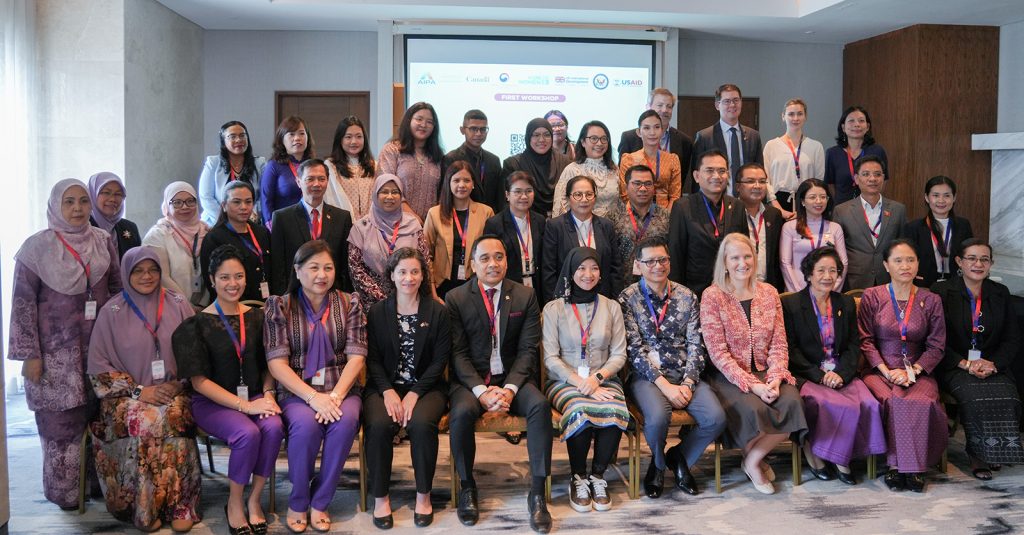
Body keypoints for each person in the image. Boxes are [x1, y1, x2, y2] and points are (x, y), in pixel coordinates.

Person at [7, 179, 121, 509]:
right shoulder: (35, 248)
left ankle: (100, 484)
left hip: (99, 349)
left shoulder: (102, 240)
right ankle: (65, 493)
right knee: (60, 425)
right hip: (54, 356)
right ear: (56, 205)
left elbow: (115, 291)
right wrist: (29, 355)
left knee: (100, 419)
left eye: (83, 201)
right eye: (69, 202)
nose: (77, 209)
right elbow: (22, 305)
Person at [87, 246, 200, 531]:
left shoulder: (177, 302)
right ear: (126, 273)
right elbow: (99, 370)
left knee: (174, 415)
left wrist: (178, 384)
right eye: (138, 270)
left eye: (153, 270)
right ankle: (146, 508)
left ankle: (180, 504)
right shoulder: (111, 311)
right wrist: (140, 392)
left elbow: (196, 353)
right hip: (124, 396)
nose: (146, 276)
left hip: (174, 390)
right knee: (145, 419)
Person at [173, 244, 284, 534]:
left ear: (246, 277)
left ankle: (255, 499)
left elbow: (267, 367)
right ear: (211, 279)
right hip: (213, 402)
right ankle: (234, 502)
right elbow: (199, 382)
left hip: (258, 396)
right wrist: (245, 406)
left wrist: (269, 394)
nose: (232, 284)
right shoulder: (194, 325)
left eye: (238, 276)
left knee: (273, 427)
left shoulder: (259, 318)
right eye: (224, 277)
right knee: (247, 433)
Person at [446, 235, 552, 533]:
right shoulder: (455, 298)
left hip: (512, 380)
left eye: (499, 257)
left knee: (540, 406)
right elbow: (457, 354)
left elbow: (528, 350)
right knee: (461, 413)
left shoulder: (524, 296)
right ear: (472, 264)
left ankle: (537, 490)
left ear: (507, 259)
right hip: (471, 383)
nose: (493, 264)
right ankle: (467, 486)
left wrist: (509, 389)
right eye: (485, 258)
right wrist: (481, 391)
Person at [264, 240, 367, 533]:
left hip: (341, 386)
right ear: (298, 271)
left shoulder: (350, 303)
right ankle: (298, 500)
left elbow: (357, 356)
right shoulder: (280, 306)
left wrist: (333, 396)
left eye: (328, 267)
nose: (321, 274)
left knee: (346, 422)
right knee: (306, 427)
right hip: (297, 389)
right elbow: (277, 364)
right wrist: (313, 397)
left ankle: (320, 500)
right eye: (313, 268)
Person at [620, 236, 726, 498]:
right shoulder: (627, 298)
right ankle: (656, 467)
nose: (658, 265)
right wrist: (665, 385)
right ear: (639, 265)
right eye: (651, 261)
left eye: (663, 259)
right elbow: (633, 350)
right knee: (656, 419)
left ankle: (680, 458)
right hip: (647, 377)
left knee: (716, 418)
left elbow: (696, 344)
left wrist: (689, 383)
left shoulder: (687, 296)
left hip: (684, 373)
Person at [700, 233, 807, 495]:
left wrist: (776, 377)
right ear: (724, 262)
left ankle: (752, 459)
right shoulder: (712, 296)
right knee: (754, 407)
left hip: (767, 372)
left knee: (792, 403)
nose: (742, 263)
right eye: (734, 257)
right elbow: (718, 353)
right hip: (729, 377)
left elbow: (779, 342)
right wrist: (754, 386)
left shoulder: (769, 292)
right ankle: (755, 457)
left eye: (747, 256)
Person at [781, 247, 886, 485]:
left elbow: (853, 345)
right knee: (832, 403)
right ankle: (825, 454)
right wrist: (820, 376)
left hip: (841, 373)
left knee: (868, 403)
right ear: (808, 274)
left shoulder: (846, 303)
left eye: (833, 270)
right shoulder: (792, 305)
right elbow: (790, 349)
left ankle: (844, 453)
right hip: (808, 373)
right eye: (821, 270)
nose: (827, 276)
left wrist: (841, 374)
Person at [363, 248, 450, 529]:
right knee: (377, 425)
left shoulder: (437, 311)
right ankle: (380, 497)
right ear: (391, 275)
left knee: (422, 424)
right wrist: (388, 391)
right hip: (384, 386)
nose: (409, 278)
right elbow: (373, 360)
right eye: (402, 272)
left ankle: (423, 495)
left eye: (415, 271)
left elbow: (440, 361)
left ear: (423, 275)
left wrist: (414, 393)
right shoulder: (377, 312)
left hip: (426, 387)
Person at [542, 247, 629, 512]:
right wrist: (581, 383)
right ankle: (578, 476)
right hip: (563, 381)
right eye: (581, 268)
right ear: (570, 271)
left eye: (593, 268)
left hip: (604, 378)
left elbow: (619, 354)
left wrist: (598, 377)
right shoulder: (553, 308)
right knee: (581, 408)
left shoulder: (611, 307)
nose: (587, 274)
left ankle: (598, 476)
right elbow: (550, 357)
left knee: (615, 407)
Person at [858, 239, 947, 492]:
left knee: (921, 400)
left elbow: (937, 345)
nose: (905, 266)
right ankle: (897, 466)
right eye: (898, 260)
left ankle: (914, 468)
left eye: (910, 260)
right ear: (886, 265)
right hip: (880, 370)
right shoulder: (872, 296)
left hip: (918, 369)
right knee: (891, 399)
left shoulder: (931, 299)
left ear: (918, 264)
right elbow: (865, 340)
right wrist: (887, 371)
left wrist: (913, 371)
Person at [932, 240, 1023, 480]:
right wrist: (965, 364)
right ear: (959, 262)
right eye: (972, 258)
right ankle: (978, 455)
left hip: (991, 364)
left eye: (984, 259)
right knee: (976, 396)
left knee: (1008, 394)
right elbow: (936, 340)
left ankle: (997, 452)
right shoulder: (941, 292)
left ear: (991, 264)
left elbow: (1013, 338)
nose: (978, 263)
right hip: (954, 365)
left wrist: (993, 363)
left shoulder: (999, 293)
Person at [667, 149, 746, 298]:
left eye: (722, 171)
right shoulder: (683, 207)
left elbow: (744, 250)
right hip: (694, 292)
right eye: (709, 171)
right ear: (697, 176)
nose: (716, 176)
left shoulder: (737, 206)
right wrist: (678, 296)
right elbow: (676, 254)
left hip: (732, 289)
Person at [269, 158, 353, 295]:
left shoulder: (342, 218)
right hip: (295, 295)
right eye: (310, 179)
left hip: (332, 294)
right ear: (298, 182)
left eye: (321, 179)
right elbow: (278, 267)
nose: (316, 184)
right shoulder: (282, 218)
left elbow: (344, 265)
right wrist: (282, 299)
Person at [349, 174, 433, 309]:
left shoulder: (413, 224)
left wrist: (406, 293)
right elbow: (356, 269)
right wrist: (383, 297)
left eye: (395, 192)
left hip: (411, 297)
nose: (390, 196)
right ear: (375, 195)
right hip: (374, 303)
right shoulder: (361, 227)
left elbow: (425, 261)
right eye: (384, 192)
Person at [542, 175, 622, 300]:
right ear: (568, 198)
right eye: (578, 195)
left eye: (589, 194)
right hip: (568, 299)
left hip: (602, 298)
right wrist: (554, 303)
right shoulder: (555, 226)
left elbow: (615, 268)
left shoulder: (606, 226)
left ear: (595, 198)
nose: (584, 199)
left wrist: (614, 300)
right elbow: (549, 270)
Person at [833, 156, 907, 290]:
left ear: (883, 178)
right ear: (856, 179)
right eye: (866, 174)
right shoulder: (841, 211)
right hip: (854, 280)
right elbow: (837, 251)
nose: (872, 179)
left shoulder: (898, 209)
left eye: (877, 174)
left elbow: (902, 246)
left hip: (889, 278)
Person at [424, 161, 494, 299]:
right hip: (442, 287)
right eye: (456, 180)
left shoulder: (486, 212)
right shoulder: (434, 213)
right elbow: (426, 256)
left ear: (473, 184)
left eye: (466, 180)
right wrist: (432, 292)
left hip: (476, 285)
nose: (461, 185)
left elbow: (490, 252)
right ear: (448, 183)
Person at [200, 181, 273, 302]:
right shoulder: (214, 238)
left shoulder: (261, 232)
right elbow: (211, 281)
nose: (243, 207)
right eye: (236, 202)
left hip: (265, 303)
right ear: (224, 206)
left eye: (248, 202)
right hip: (233, 306)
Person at [143, 181, 210, 306]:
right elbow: (162, 277)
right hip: (170, 307)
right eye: (177, 202)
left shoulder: (206, 231)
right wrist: (187, 307)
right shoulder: (157, 235)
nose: (185, 207)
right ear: (167, 205)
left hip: (205, 308)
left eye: (190, 201)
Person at [483, 171, 547, 302]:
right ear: (507, 195)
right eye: (517, 192)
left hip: (537, 287)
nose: (524, 196)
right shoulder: (495, 224)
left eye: (528, 191)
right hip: (509, 287)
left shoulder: (540, 221)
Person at [616, 88, 694, 192]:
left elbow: (681, 179)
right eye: (660, 105)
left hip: (669, 205)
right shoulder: (629, 138)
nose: (664, 110)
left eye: (669, 106)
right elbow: (623, 179)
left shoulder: (684, 141)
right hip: (635, 203)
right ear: (648, 107)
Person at [902, 176, 974, 287]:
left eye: (947, 195)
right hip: (923, 285)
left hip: (957, 284)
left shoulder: (963, 225)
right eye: (935, 195)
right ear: (927, 197)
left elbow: (969, 255)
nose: (941, 200)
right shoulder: (913, 228)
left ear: (954, 198)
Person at [691, 84, 763, 195]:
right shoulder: (704, 137)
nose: (732, 105)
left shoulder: (753, 136)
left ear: (741, 103)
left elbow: (759, 173)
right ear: (717, 105)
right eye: (727, 101)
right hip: (716, 200)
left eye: (736, 100)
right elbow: (697, 178)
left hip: (747, 200)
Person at [377, 102, 444, 221]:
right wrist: (412, 217)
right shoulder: (392, 150)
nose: (424, 125)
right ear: (409, 120)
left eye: (429, 122)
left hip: (428, 225)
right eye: (419, 119)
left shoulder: (437, 156)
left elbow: (441, 193)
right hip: (396, 222)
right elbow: (385, 186)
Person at [606, 165, 670, 289]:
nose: (643, 188)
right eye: (637, 183)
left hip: (657, 286)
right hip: (622, 287)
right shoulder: (613, 217)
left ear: (654, 187)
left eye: (648, 184)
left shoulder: (666, 216)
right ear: (626, 187)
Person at [780, 178, 849, 292]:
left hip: (828, 289)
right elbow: (785, 262)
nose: (819, 201)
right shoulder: (790, 227)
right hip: (798, 289)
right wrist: (798, 292)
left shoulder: (835, 228)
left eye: (823, 197)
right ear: (802, 201)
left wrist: (833, 289)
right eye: (812, 197)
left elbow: (843, 262)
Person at [762, 99, 825, 220]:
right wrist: (777, 208)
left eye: (800, 114)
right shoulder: (771, 145)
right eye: (791, 114)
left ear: (805, 117)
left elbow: (819, 181)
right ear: (783, 116)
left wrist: (805, 209)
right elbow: (765, 180)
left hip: (807, 203)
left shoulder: (816, 146)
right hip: (776, 203)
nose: (795, 118)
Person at [199, 120, 267, 226]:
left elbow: (264, 195)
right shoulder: (213, 163)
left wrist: (252, 212)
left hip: (250, 221)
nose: (238, 140)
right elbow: (206, 197)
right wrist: (226, 220)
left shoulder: (260, 163)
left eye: (242, 136)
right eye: (232, 136)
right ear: (223, 142)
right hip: (217, 223)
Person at [502, 118, 573, 217]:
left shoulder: (565, 163)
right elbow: (506, 202)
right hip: (525, 223)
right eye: (536, 135)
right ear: (528, 137)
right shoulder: (513, 164)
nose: (541, 140)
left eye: (546, 135)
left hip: (561, 223)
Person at [551, 121, 620, 218]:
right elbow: (560, 208)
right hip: (580, 229)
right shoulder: (572, 169)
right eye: (594, 139)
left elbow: (621, 204)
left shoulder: (614, 169)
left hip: (611, 229)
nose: (599, 143)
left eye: (604, 139)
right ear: (583, 142)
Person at [823, 106, 889, 206]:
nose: (857, 124)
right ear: (843, 127)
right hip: (841, 208)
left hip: (871, 206)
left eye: (861, 121)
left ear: (867, 127)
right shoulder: (832, 153)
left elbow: (884, 180)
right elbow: (830, 184)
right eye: (851, 121)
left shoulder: (877, 151)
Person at [734, 163, 785, 292]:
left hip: (767, 287)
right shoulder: (730, 213)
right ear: (738, 186)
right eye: (751, 181)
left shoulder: (774, 215)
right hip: (736, 287)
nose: (757, 186)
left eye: (762, 182)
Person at [618, 110, 683, 210]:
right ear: (639, 132)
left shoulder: (672, 159)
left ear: (662, 130)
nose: (652, 132)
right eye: (647, 128)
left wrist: (666, 216)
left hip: (666, 214)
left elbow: (675, 196)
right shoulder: (629, 159)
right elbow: (625, 194)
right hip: (635, 216)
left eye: (657, 127)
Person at [442, 109, 504, 212]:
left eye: (483, 129)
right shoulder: (451, 158)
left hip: (490, 218)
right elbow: (445, 193)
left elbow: (500, 196)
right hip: (460, 217)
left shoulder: (494, 160)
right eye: (473, 129)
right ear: (462, 130)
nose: (479, 133)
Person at [323, 116, 376, 220]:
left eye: (359, 136)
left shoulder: (374, 165)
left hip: (371, 225)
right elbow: (331, 199)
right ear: (340, 139)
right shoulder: (330, 165)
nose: (354, 142)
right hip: (342, 224)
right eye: (348, 137)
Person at [261, 115, 313, 219]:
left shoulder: (313, 165)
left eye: (302, 133)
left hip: (310, 224)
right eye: (291, 134)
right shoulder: (273, 166)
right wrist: (272, 226)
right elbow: (265, 200)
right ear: (282, 139)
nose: (297, 138)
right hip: (283, 225)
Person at [88, 171, 141, 258]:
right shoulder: (82, 228)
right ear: (92, 194)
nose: (113, 199)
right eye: (106, 192)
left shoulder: (130, 228)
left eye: (118, 194)